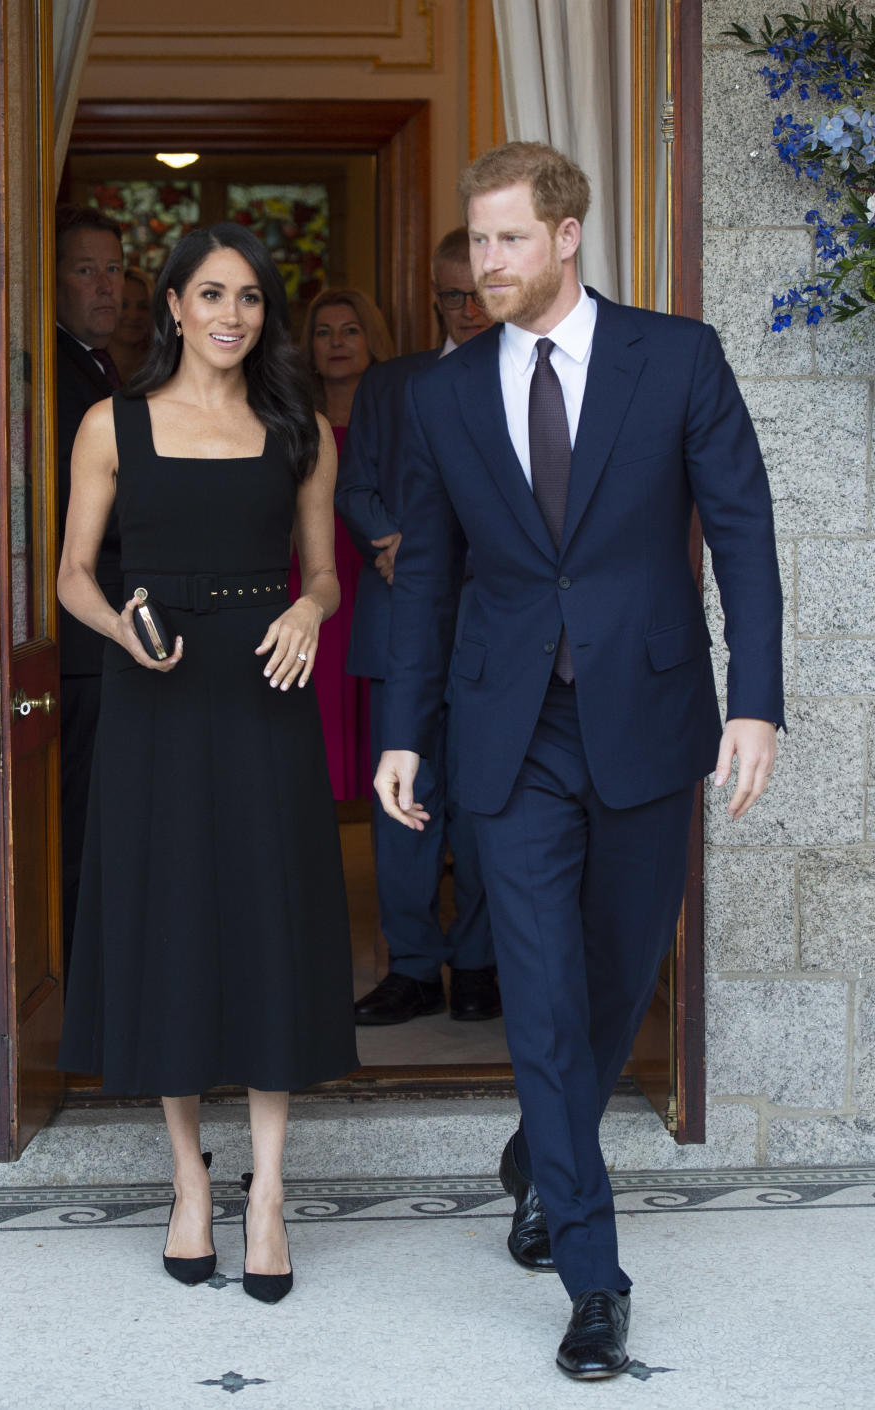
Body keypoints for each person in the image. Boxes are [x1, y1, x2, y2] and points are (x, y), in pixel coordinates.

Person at [374, 142, 784, 1379]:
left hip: (651, 719)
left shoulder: (679, 357)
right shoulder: (444, 395)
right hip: (512, 731)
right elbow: (430, 574)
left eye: (507, 239)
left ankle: (536, 1154)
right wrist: (404, 727)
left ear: (567, 235)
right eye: (475, 239)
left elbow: (747, 533)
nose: (485, 263)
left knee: (615, 978)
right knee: (545, 993)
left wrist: (754, 704)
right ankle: (594, 1278)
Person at [56, 223, 358, 1303]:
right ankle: (190, 1178)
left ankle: (268, 1190)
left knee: (269, 923)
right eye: (212, 295)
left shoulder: (301, 432)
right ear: (174, 305)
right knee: (169, 924)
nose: (233, 315)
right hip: (156, 689)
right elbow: (73, 577)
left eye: (251, 298)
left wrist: (311, 614)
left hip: (266, 691)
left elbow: (323, 574)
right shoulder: (112, 424)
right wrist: (117, 625)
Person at [336, 229, 499, 1024]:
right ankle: (409, 967)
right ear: (431, 297)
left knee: (481, 800)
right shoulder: (390, 383)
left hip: (495, 628)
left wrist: (441, 554)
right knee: (401, 803)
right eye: (451, 295)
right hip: (399, 619)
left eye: (480, 292)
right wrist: (392, 540)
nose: (467, 310)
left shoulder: (526, 377)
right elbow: (355, 482)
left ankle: (476, 965)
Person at [55, 205, 126, 978]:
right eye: (85, 270)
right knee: (82, 821)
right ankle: (81, 987)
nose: (105, 287)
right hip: (80, 637)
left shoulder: (106, 365)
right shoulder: (55, 374)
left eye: (113, 269)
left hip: (110, 635)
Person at [289, 289, 394, 800]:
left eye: (350, 330)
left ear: (372, 340)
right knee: (320, 701)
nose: (336, 342)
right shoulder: (288, 419)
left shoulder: (399, 412)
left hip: (380, 570)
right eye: (323, 332)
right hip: (310, 574)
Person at [108, 265, 153, 384]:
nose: (133, 315)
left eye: (143, 307)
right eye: (124, 305)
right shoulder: (85, 366)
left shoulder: (163, 370)